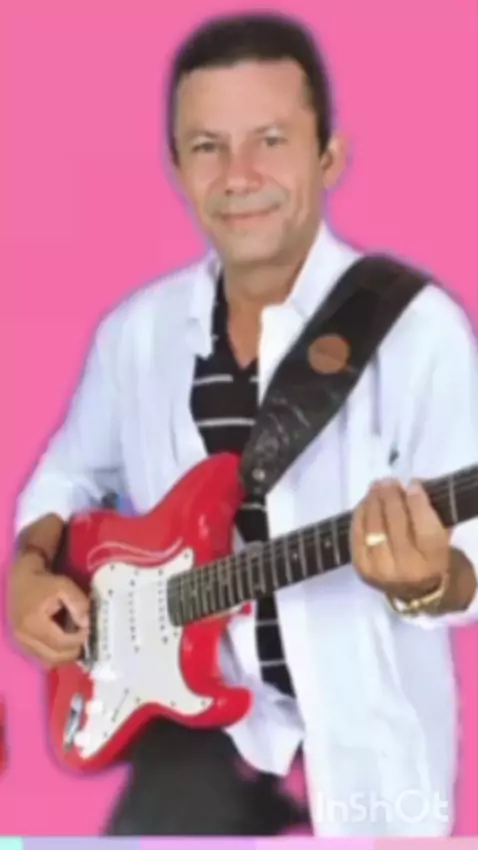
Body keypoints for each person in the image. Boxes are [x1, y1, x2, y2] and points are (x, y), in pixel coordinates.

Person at [8, 11, 478, 838]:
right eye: (207, 146)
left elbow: (471, 559)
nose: (239, 174)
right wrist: (26, 571)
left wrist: (429, 580)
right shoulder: (135, 335)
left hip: (367, 758)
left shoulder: (418, 329)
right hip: (187, 745)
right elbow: (68, 474)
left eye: (270, 139)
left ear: (328, 155)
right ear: (176, 166)